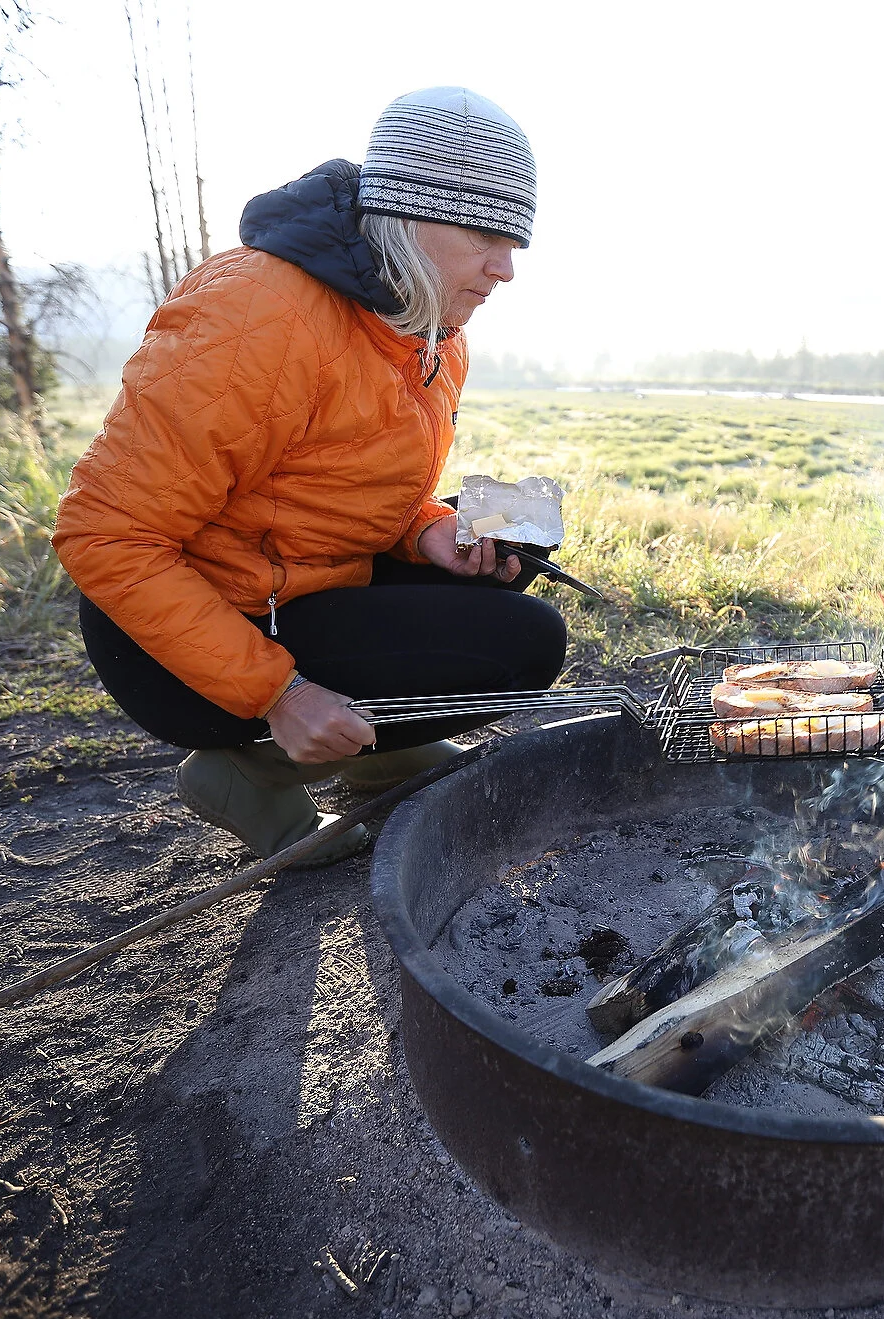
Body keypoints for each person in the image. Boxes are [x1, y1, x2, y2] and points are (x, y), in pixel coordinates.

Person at [54, 87, 565, 868]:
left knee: (508, 558)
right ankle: (248, 773)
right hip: (172, 632)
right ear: (406, 212)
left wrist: (427, 530)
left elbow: (329, 482)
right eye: (485, 234)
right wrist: (280, 693)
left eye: (516, 240)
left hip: (294, 583)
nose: (506, 267)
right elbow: (105, 535)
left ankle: (376, 754)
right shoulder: (257, 315)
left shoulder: (431, 328)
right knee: (525, 646)